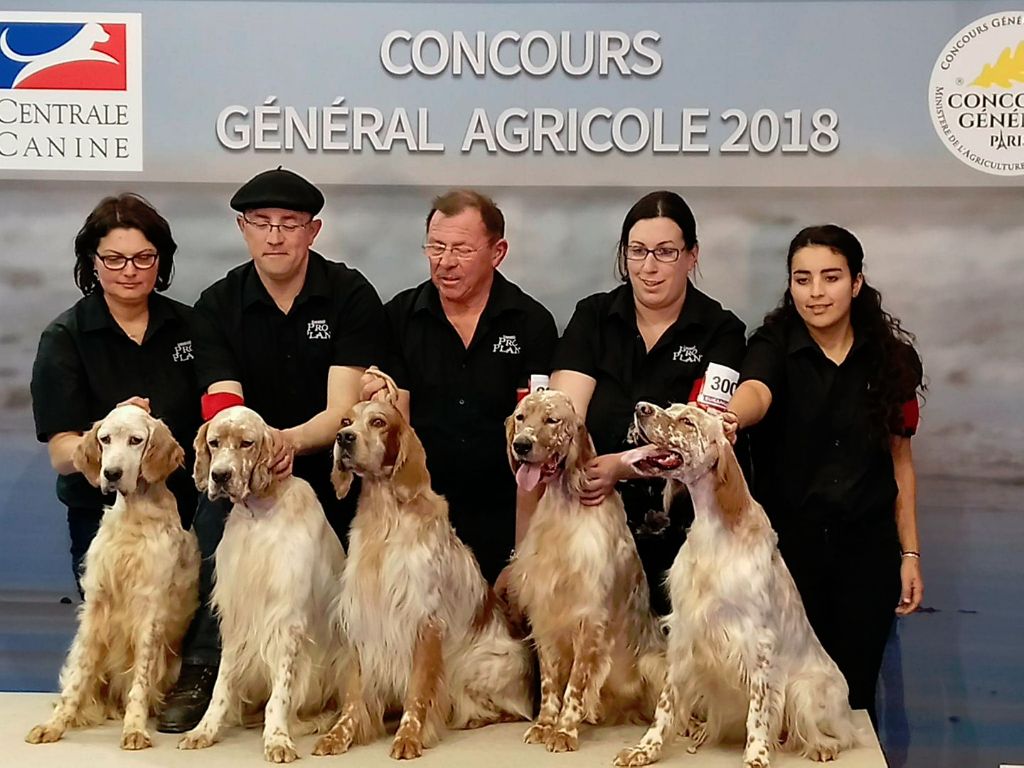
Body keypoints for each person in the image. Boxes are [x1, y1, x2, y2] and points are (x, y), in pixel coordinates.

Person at [157, 167, 388, 733]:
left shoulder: (349, 293)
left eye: (290, 223)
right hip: (248, 465)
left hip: (327, 473)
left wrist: (286, 444)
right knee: (216, 521)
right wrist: (251, 455)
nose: (276, 236)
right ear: (243, 228)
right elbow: (222, 404)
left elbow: (342, 412)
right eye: (262, 223)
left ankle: (354, 680)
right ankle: (204, 667)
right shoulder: (216, 304)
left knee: (342, 575)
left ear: (313, 230)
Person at [723, 224, 924, 723]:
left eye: (830, 277)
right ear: (789, 285)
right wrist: (731, 416)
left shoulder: (894, 361)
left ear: (856, 283)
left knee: (852, 705)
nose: (816, 293)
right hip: (788, 557)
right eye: (802, 278)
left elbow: (901, 463)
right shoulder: (772, 343)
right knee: (782, 700)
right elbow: (756, 392)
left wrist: (911, 554)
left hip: (867, 555)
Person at [548, 190, 746, 615]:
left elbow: (700, 439)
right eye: (637, 251)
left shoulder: (721, 330)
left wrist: (621, 465)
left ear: (692, 256)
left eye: (665, 252)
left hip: (685, 537)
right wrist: (571, 457)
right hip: (594, 525)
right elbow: (563, 416)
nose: (649, 267)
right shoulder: (593, 317)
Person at [366, 189, 557, 585]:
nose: (446, 263)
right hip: (422, 515)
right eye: (436, 247)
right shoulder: (398, 319)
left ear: (497, 251)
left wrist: (525, 557)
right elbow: (397, 435)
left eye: (462, 250)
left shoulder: (531, 323)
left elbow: (536, 440)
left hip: (505, 515)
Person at [31, 194, 201, 598]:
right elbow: (61, 453)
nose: (130, 271)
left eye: (143, 258)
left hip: (185, 515)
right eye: (114, 259)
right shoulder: (65, 338)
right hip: (103, 517)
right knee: (112, 635)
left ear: (161, 261)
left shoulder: (190, 325)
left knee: (177, 640)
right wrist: (113, 428)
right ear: (92, 260)